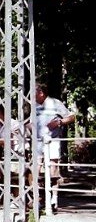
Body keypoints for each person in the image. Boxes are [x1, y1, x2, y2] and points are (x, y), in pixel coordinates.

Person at [35, 83, 74, 211]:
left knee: (53, 168)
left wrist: (59, 122)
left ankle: (54, 199)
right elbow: (31, 124)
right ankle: (37, 197)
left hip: (53, 140)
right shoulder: (35, 106)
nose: (31, 96)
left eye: (34, 93)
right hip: (38, 142)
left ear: (41, 93)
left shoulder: (55, 103)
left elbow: (71, 117)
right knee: (35, 169)